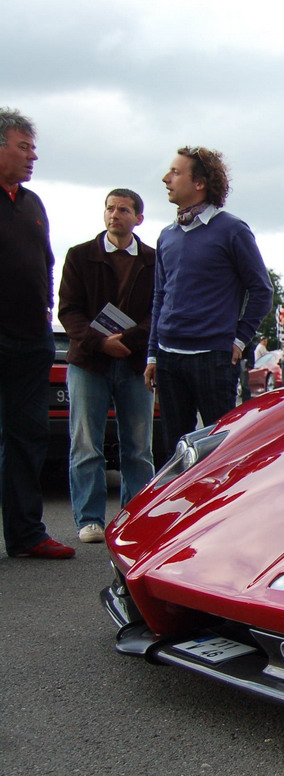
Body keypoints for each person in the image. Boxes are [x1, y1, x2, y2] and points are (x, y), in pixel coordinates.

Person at [146, 146, 273, 460]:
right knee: (174, 454)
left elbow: (262, 289)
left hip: (213, 357)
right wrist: (152, 354)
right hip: (168, 357)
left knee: (219, 453)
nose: (165, 179)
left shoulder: (232, 230)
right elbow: (160, 296)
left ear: (200, 183)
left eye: (175, 172)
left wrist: (240, 339)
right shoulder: (167, 235)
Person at [57, 189, 155, 545]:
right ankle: (89, 519)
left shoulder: (154, 260)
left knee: (138, 447)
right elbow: (68, 310)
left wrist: (127, 340)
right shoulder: (80, 255)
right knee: (86, 444)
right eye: (110, 208)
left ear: (138, 218)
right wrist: (100, 342)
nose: (115, 214)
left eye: (123, 209)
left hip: (134, 362)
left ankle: (134, 519)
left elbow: (160, 310)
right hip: (89, 362)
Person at [0, 107, 75, 558]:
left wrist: (46, 307)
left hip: (30, 340)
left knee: (28, 436)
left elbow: (46, 262)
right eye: (24, 147)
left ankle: (26, 534)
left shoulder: (31, 204)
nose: (33, 156)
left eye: (34, 148)